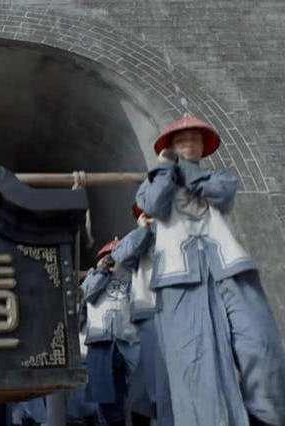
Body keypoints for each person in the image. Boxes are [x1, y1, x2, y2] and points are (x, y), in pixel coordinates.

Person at [136, 115, 285, 426]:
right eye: (181, 140)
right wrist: (164, 168)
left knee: (261, 344)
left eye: (195, 139)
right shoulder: (154, 181)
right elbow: (154, 204)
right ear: (169, 147)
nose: (188, 143)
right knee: (196, 365)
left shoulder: (221, 177)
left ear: (204, 147)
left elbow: (220, 193)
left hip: (230, 269)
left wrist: (183, 168)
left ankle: (265, 418)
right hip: (180, 279)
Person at [111, 205, 173, 426]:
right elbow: (121, 255)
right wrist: (143, 230)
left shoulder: (174, 231)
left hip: (172, 310)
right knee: (150, 388)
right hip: (150, 313)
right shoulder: (137, 237)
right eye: (145, 214)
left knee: (161, 386)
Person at [81, 239, 139, 426]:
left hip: (127, 340)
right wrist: (102, 271)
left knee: (134, 395)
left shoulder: (132, 276)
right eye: (107, 256)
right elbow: (88, 294)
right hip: (101, 342)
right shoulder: (92, 278)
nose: (111, 260)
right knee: (104, 399)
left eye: (115, 256)